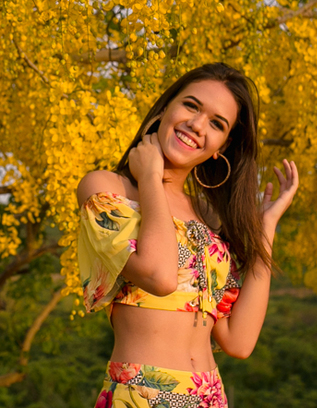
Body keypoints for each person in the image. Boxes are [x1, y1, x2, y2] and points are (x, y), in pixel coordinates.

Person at [76, 62, 299, 407]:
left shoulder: (209, 217)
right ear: (165, 109)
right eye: (191, 106)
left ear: (221, 147)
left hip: (210, 396)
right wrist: (151, 178)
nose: (197, 125)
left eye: (216, 123)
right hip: (143, 396)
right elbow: (159, 275)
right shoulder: (107, 188)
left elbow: (239, 342)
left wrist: (265, 230)